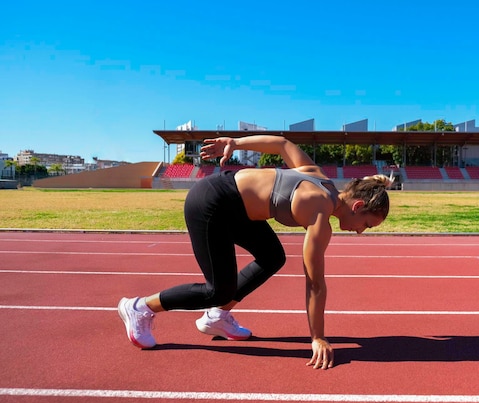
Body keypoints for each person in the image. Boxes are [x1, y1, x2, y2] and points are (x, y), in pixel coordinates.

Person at [118, 134, 391, 370]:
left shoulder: (321, 178)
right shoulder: (319, 212)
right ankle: (140, 307)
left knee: (273, 256)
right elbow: (315, 284)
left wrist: (235, 142)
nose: (360, 231)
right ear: (357, 206)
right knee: (217, 290)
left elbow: (283, 144)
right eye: (366, 224)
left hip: (236, 207)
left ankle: (217, 317)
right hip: (212, 203)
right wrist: (317, 337)